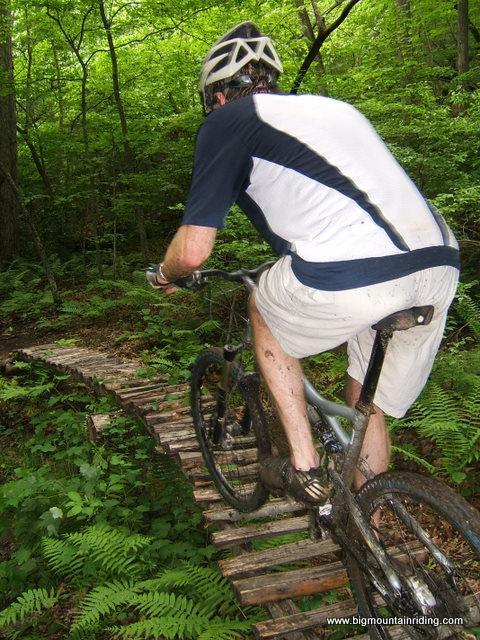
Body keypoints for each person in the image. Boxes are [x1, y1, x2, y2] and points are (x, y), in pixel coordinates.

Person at [148, 22, 460, 504]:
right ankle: (375, 541)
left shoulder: (228, 121)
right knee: (366, 406)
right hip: (439, 264)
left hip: (357, 266)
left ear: (216, 95)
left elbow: (192, 251)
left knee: (263, 308)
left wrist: (167, 274)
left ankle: (305, 467)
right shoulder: (332, 110)